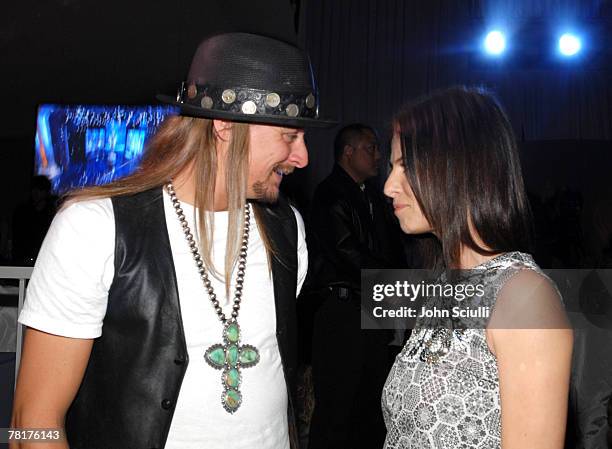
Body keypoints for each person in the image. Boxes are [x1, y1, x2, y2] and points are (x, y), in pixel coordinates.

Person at [11, 32, 334, 449]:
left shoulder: (288, 227)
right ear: (225, 125)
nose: (303, 157)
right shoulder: (94, 227)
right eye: (290, 136)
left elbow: (277, 383)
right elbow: (31, 421)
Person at [381, 86, 573, 449]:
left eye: (405, 165)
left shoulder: (523, 297)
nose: (389, 186)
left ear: (458, 166)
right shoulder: (445, 284)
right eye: (392, 167)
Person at [306, 124, 405, 449]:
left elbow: (390, 249)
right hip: (343, 313)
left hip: (370, 307)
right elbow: (349, 253)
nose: (378, 155)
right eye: (370, 147)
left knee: (372, 405)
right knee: (338, 408)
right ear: (348, 151)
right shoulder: (330, 194)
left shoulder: (374, 196)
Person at [11, 175, 58, 266]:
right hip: (22, 259)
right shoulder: (22, 211)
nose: (36, 193)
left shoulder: (51, 213)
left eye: (40, 189)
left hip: (45, 260)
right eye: (34, 189)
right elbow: (18, 237)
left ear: (46, 192)